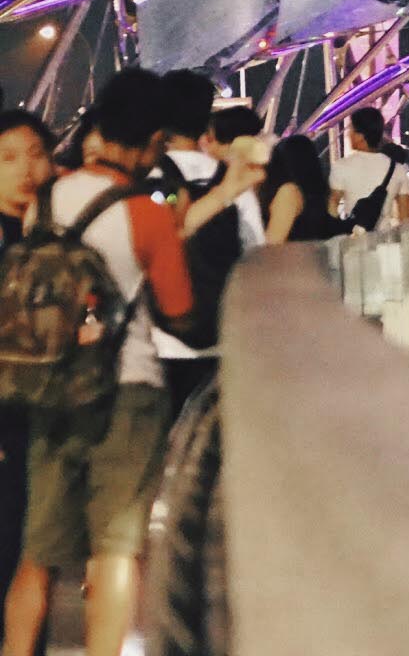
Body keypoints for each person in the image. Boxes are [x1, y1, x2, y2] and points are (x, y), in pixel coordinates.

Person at [6, 69, 194, 656]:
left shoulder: (46, 200)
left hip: (50, 386)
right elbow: (179, 314)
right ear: (153, 140)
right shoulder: (146, 213)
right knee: (115, 551)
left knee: (37, 555)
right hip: (126, 392)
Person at [154, 98, 270, 419]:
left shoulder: (151, 177)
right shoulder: (233, 180)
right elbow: (255, 251)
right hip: (222, 330)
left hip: (161, 336)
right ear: (204, 130)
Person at [0, 111, 55, 624]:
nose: (25, 169)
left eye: (36, 154)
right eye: (8, 158)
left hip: (40, 421)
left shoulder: (50, 234)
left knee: (32, 556)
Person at [329, 107, 409, 229]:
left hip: (353, 239)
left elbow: (331, 208)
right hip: (385, 239)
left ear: (360, 136)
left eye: (351, 130)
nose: (348, 134)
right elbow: (405, 219)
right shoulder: (398, 169)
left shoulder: (341, 166)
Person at [258, 135, 345, 244]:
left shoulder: (288, 193)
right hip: (316, 252)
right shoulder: (322, 193)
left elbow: (272, 243)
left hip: (289, 253)